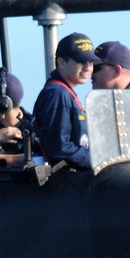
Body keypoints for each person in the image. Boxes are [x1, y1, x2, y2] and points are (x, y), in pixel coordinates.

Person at [33, 32, 96, 170]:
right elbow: (60, 148)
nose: (88, 67)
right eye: (80, 61)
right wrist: (96, 160)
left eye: (90, 61)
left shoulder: (65, 93)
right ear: (62, 63)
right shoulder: (57, 94)